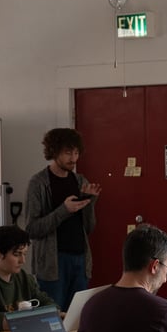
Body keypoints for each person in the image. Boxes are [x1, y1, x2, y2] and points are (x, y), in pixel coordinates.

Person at [25, 127, 101, 311]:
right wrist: (63, 210)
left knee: (77, 318)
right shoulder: (39, 183)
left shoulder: (80, 180)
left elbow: (89, 228)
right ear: (54, 151)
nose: (73, 158)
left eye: (76, 152)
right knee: (53, 318)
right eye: (68, 152)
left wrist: (90, 202)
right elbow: (32, 229)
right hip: (53, 263)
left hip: (81, 260)